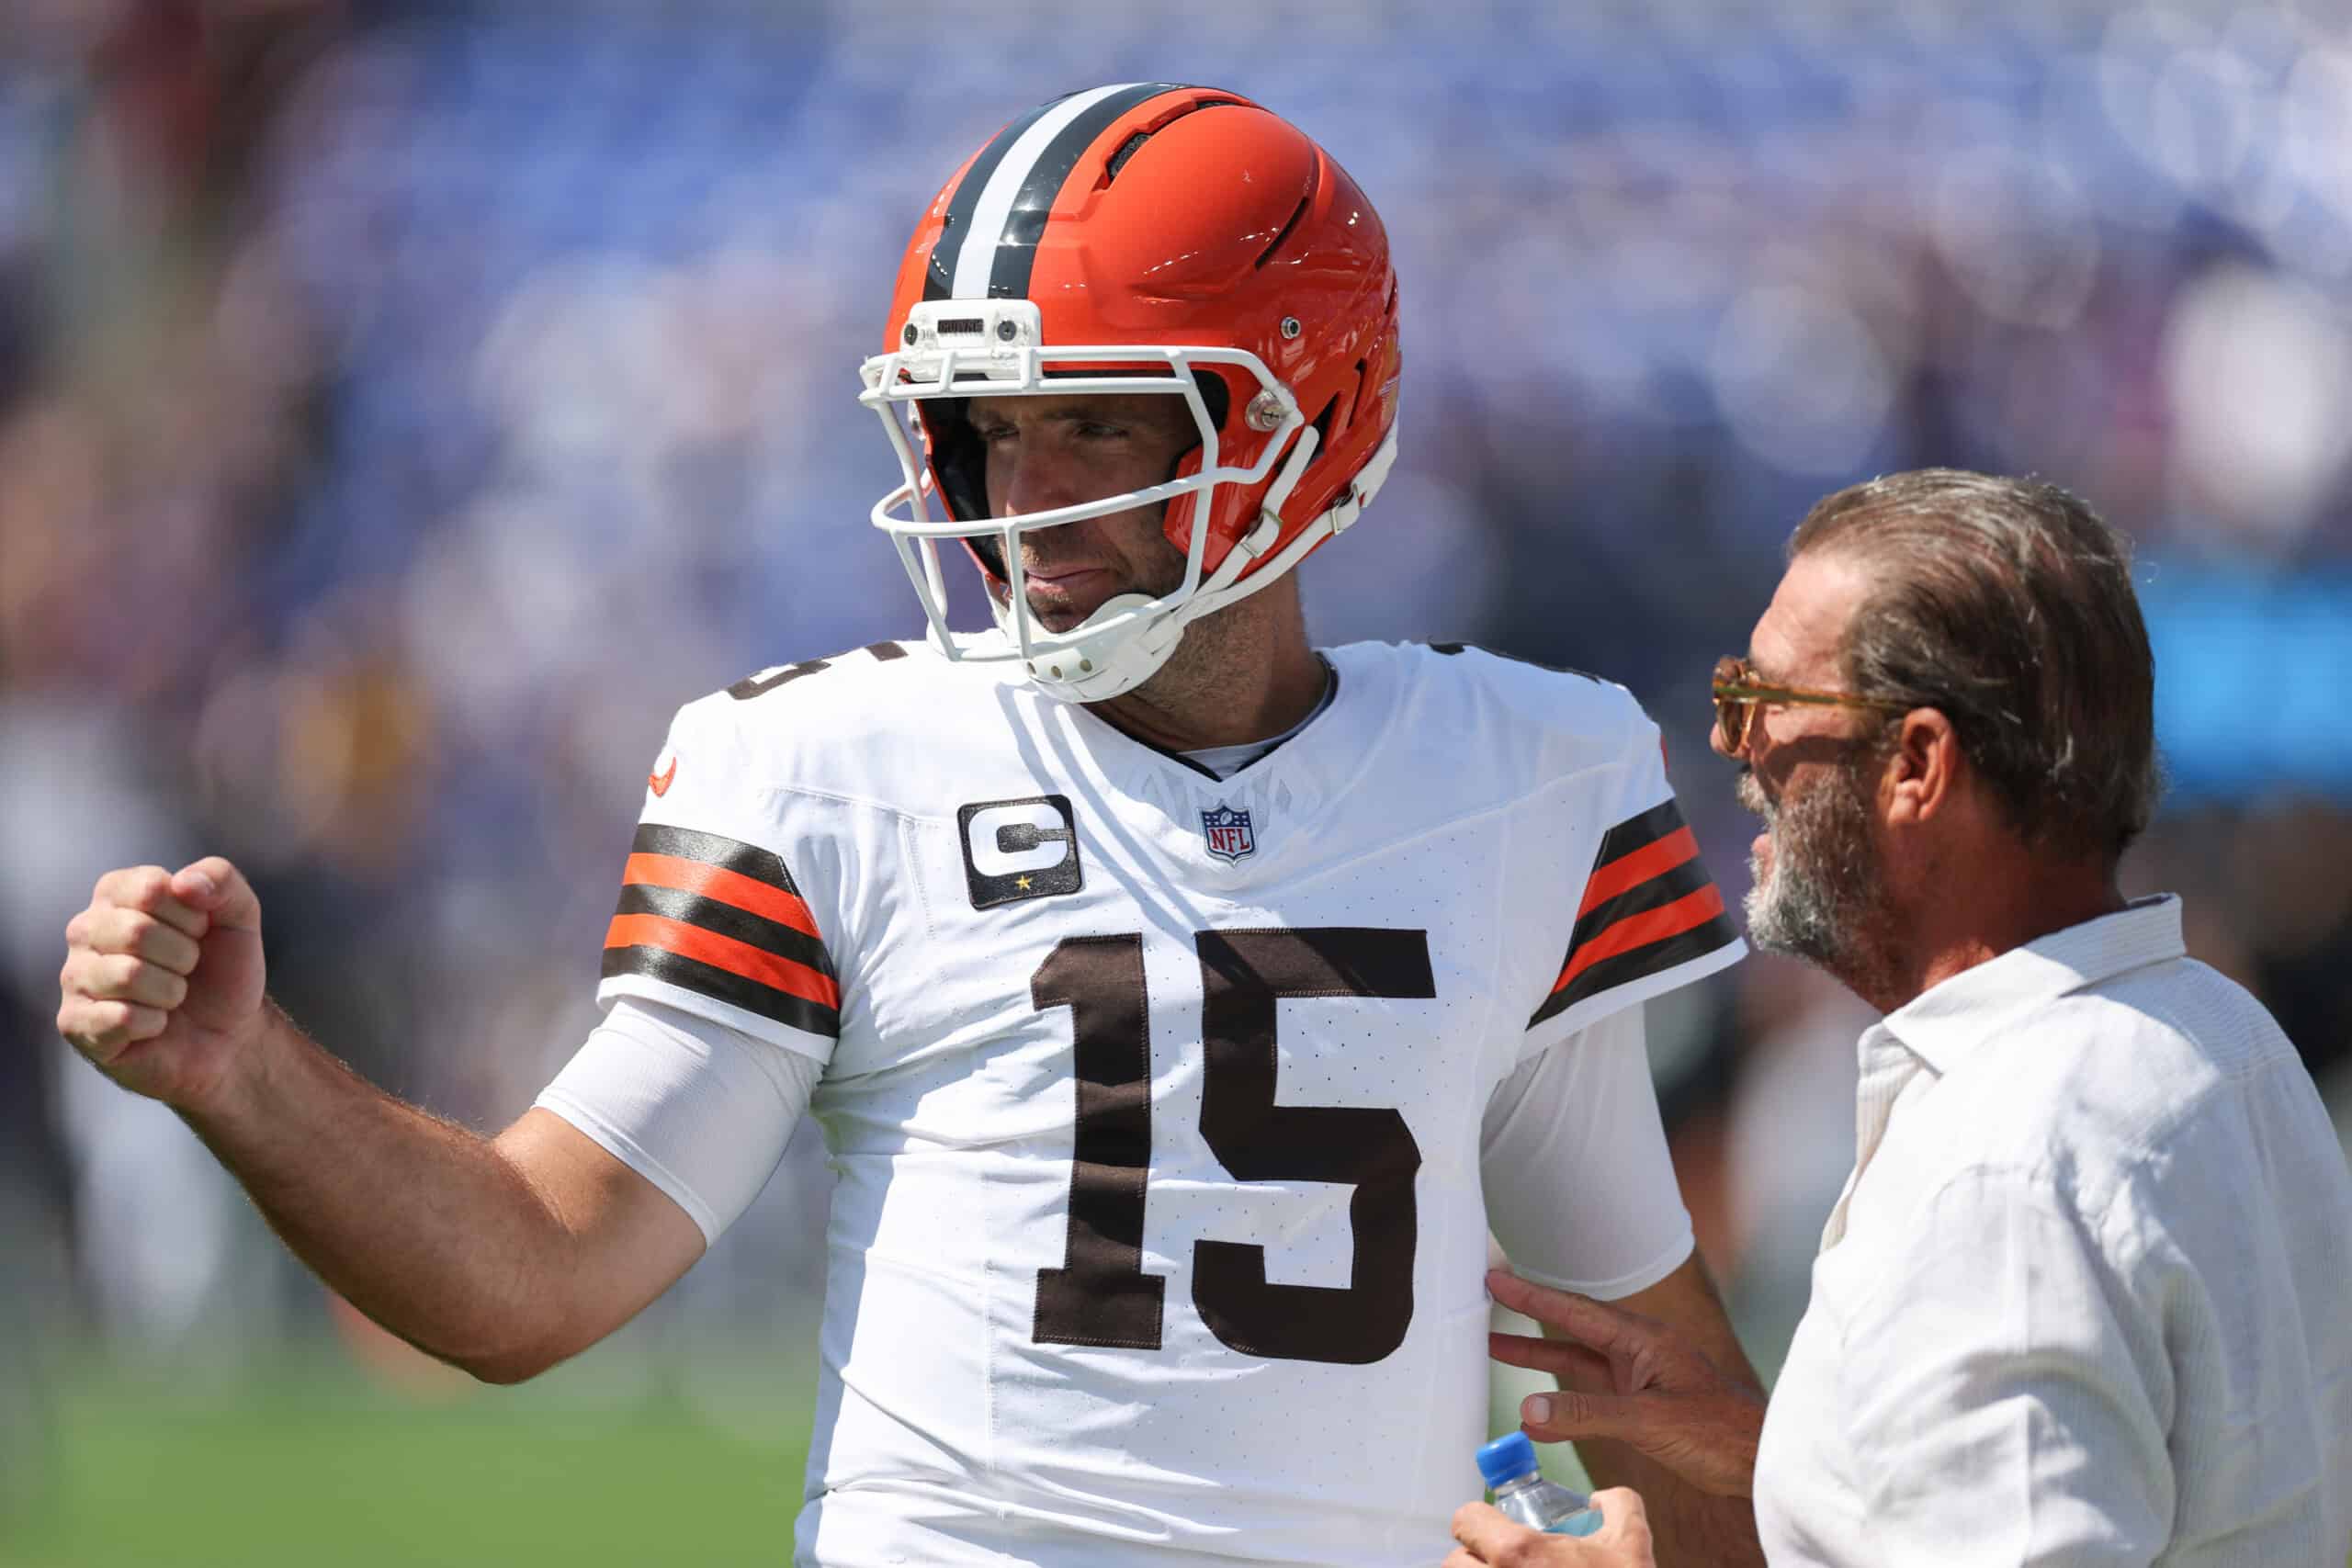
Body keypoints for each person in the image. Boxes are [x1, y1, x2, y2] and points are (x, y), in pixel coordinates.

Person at [55, 85, 1765, 1566]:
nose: (1028, 503)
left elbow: (1642, 1367)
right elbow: (535, 1271)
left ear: (1302, 421)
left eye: (1099, 420)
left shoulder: (1523, 777)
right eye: (989, 433)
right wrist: (247, 1072)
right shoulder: (831, 766)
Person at [1448, 470, 2352, 1567]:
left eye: (1766, 698)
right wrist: (1796, 1459)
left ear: (1917, 763)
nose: (1734, 743)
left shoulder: (2007, 1163)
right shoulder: (2219, 1033)